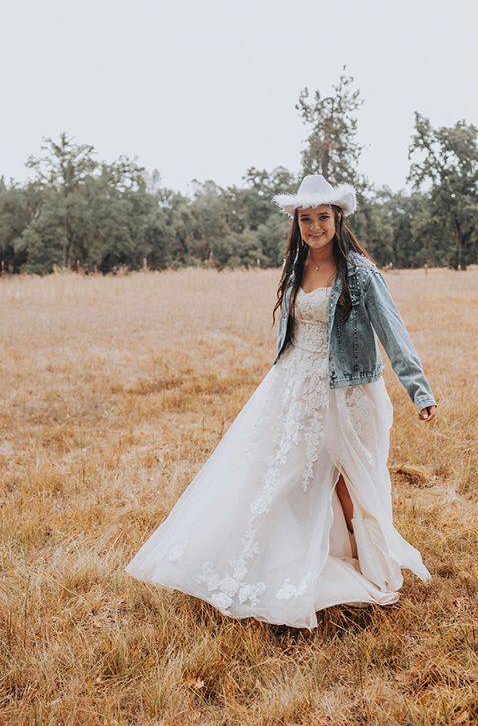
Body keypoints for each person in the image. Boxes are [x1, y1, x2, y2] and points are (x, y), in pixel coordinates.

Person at [125, 174, 437, 629]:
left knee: (350, 480)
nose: (314, 227)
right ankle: (281, 558)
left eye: (323, 218)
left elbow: (394, 333)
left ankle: (371, 563)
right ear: (297, 221)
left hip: (345, 388)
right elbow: (291, 332)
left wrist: (419, 390)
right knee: (284, 474)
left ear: (338, 219)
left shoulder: (361, 274)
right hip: (293, 385)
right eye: (306, 218)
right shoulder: (294, 268)